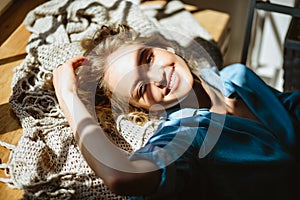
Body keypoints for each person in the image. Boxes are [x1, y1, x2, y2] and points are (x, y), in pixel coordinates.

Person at [52, 24, 300, 199]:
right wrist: (69, 98)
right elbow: (121, 178)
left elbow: (285, 108)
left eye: (147, 59)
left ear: (165, 47)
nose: (158, 76)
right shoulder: (184, 134)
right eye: (140, 86)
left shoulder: (237, 76)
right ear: (140, 107)